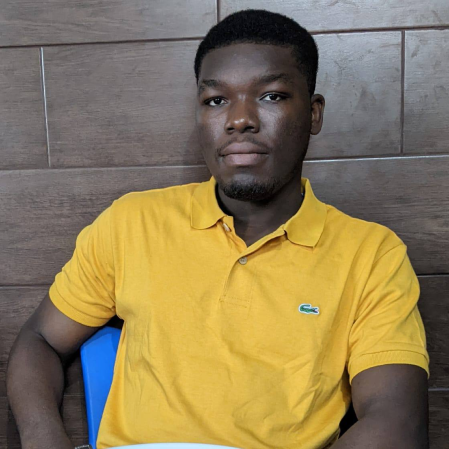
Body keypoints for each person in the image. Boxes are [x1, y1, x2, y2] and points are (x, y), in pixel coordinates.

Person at [7, 9, 429, 449]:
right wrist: (43, 437)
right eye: (215, 100)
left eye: (271, 96)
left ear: (313, 113)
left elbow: (396, 422)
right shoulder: (131, 223)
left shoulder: (371, 255)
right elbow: (40, 340)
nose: (239, 119)